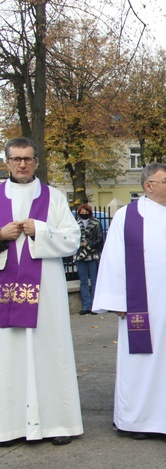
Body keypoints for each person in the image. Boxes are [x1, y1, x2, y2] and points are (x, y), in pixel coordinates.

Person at [93, 163, 166, 440]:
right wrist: (117, 299)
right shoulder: (126, 217)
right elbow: (113, 258)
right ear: (148, 185)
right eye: (165, 180)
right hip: (142, 308)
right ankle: (137, 421)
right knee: (141, 363)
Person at [0, 137, 82, 446]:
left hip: (45, 290)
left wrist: (41, 230)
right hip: (4, 289)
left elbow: (72, 239)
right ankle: (8, 426)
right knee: (8, 355)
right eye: (16, 158)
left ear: (36, 162)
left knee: (50, 350)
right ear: (7, 161)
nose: (22, 164)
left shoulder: (54, 197)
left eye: (28, 159)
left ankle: (56, 425)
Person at [74, 203, 103, 315]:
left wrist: (89, 245)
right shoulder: (75, 223)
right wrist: (80, 244)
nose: (84, 214)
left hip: (92, 255)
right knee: (83, 282)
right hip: (80, 255)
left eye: (86, 212)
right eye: (82, 212)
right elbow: (72, 238)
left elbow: (100, 239)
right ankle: (85, 306)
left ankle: (94, 305)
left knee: (95, 281)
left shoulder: (96, 223)